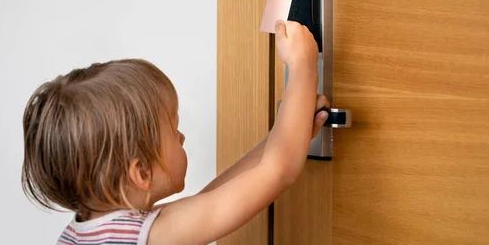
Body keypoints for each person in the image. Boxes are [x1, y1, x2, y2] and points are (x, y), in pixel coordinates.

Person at [22, 20, 330, 244]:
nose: (181, 137)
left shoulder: (88, 232)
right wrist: (303, 66)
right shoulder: (152, 236)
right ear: (140, 171)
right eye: (173, 129)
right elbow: (279, 172)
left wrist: (289, 131)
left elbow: (213, 198)